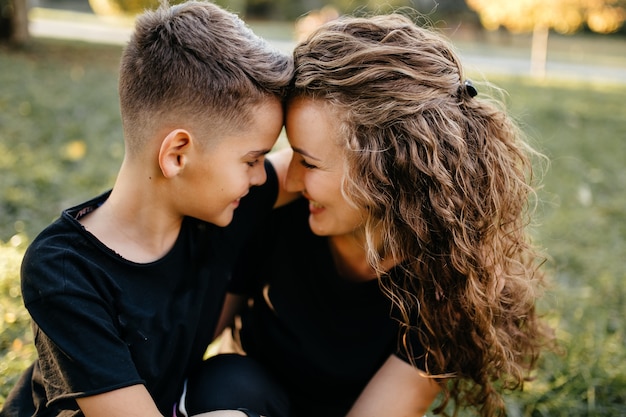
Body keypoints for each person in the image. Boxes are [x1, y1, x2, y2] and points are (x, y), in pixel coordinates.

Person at [185, 13, 553, 417]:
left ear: (387, 170)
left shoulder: (448, 276)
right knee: (223, 383)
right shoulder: (274, 212)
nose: (288, 180)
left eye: (307, 162)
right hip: (242, 401)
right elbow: (179, 350)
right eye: (291, 154)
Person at [0, 2, 294, 417]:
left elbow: (320, 163)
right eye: (251, 160)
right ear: (177, 154)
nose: (262, 175)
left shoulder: (221, 204)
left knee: (242, 387)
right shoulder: (65, 272)